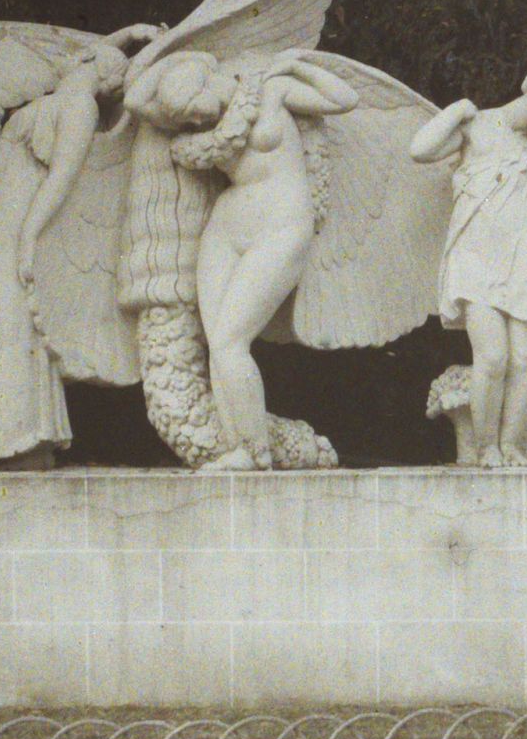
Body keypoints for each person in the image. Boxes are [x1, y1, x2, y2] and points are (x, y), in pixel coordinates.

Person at [0, 27, 160, 470]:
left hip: (15, 217)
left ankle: (22, 444)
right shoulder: (64, 94)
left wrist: (30, 234)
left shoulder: (78, 106)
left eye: (92, 55)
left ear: (100, 70)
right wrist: (132, 33)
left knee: (9, 324)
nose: (77, 55)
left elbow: (64, 177)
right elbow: (81, 53)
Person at [126, 48, 360, 470]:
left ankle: (254, 452)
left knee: (233, 342)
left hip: (281, 224)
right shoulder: (196, 118)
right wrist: (173, 50)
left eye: (197, 115)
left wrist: (294, 64)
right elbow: (135, 102)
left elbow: (345, 99)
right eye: (188, 122)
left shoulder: (272, 90)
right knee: (220, 344)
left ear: (209, 85)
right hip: (228, 226)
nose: (196, 125)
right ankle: (239, 448)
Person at [409, 67, 527, 465]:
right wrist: (456, 110)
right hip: (477, 254)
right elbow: (419, 150)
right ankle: (486, 446)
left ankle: (511, 446)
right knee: (492, 356)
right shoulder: (476, 125)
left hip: (526, 253)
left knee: (525, 359)